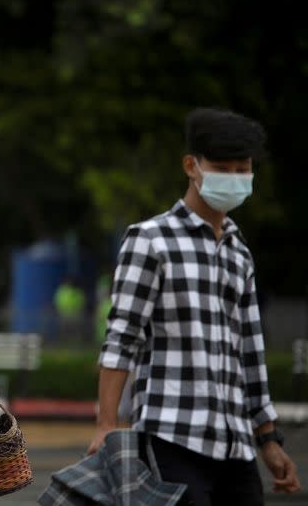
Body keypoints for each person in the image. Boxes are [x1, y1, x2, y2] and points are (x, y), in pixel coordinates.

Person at [87, 107, 301, 505]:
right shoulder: (150, 240)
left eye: (243, 169)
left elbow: (250, 355)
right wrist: (106, 425)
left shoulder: (239, 253)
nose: (234, 179)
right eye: (223, 168)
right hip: (171, 436)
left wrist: (268, 439)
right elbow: (121, 337)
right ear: (192, 165)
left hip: (235, 445)